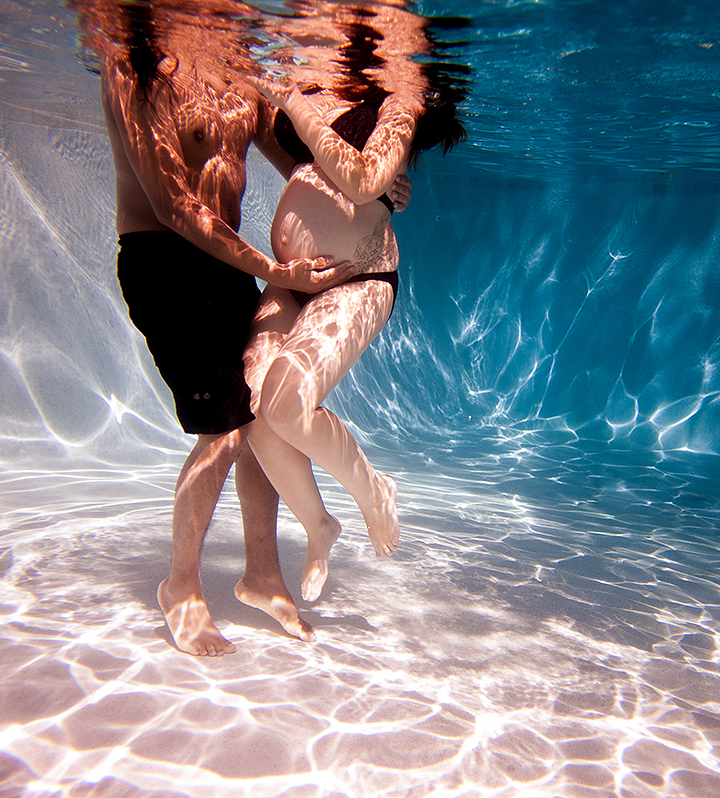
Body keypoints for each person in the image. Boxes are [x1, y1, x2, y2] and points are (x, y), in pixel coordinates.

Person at [83, 0, 412, 655]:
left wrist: (377, 190)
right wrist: (278, 272)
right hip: (168, 264)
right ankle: (181, 585)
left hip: (228, 264)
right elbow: (171, 204)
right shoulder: (134, 68)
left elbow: (302, 162)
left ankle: (262, 574)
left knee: (259, 412)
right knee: (224, 433)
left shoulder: (238, 78)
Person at [240, 1, 467, 604]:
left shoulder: (402, 97)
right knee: (254, 412)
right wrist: (305, 140)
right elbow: (313, 162)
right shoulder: (319, 83)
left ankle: (373, 492)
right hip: (293, 276)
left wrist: (294, 100)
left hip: (360, 276)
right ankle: (320, 526)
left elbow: (365, 181)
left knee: (287, 406)